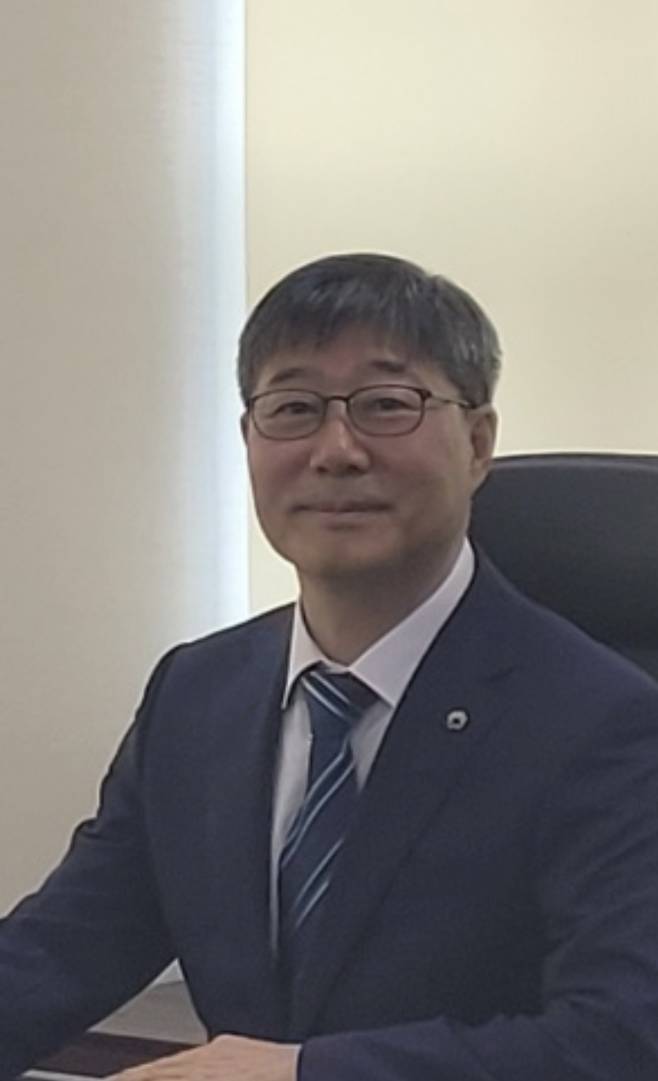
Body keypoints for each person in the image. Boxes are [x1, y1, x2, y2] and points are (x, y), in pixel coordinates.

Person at [2, 253, 658, 1081]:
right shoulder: (198, 693)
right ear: (249, 439)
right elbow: (65, 947)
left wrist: (303, 1073)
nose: (336, 450)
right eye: (294, 408)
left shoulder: (604, 722)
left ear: (478, 443)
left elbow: (621, 1039)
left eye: (387, 405)